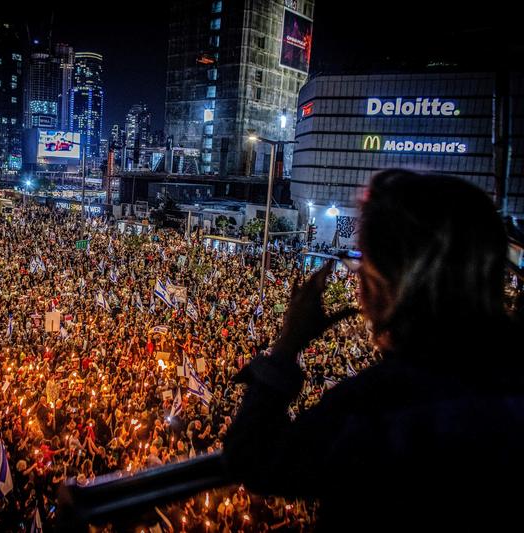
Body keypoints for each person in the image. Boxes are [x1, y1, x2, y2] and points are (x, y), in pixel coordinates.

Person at [223, 169, 524, 532]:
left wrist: (288, 344)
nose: (358, 280)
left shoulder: (380, 405)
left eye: (363, 262)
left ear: (386, 283)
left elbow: (252, 457)